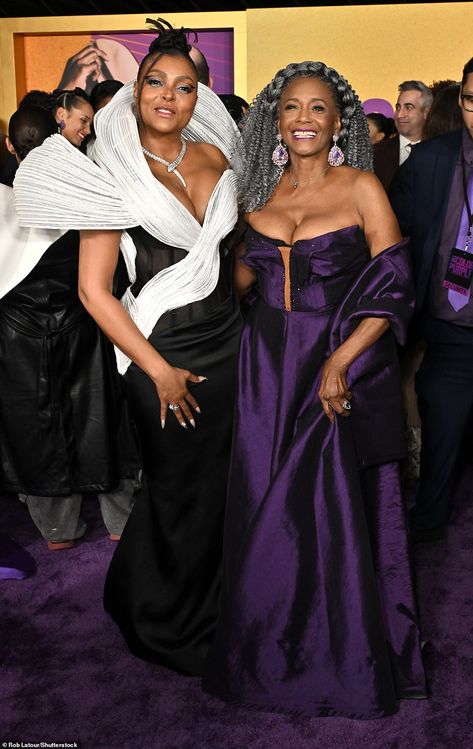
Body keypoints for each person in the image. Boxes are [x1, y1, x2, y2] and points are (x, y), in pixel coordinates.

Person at [13, 20, 242, 674]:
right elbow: (94, 291)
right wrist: (160, 371)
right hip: (158, 349)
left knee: (223, 486)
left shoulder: (216, 158)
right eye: (155, 83)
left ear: (200, 96)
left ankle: (220, 599)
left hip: (230, 342)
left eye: (185, 86)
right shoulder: (108, 170)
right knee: (175, 486)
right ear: (135, 90)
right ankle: (163, 612)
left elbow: (232, 258)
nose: (168, 96)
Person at [203, 60, 427, 718]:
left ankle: (339, 657)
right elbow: (232, 293)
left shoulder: (361, 188)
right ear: (275, 121)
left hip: (336, 371)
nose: (303, 117)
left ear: (338, 123)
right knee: (266, 505)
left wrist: (340, 360)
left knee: (323, 514)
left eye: (318, 108)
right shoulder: (257, 202)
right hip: (265, 373)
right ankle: (268, 652)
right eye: (291, 107)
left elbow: (393, 283)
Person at [0, 106, 137, 550]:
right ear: (60, 137)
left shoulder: (3, 205)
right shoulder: (87, 196)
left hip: (17, 340)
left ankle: (58, 532)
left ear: (9, 146)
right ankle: (120, 522)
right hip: (86, 328)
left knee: (35, 430)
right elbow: (114, 277)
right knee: (102, 422)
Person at [390, 57, 473, 542]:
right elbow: (391, 239)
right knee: (439, 437)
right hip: (450, 331)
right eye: (470, 100)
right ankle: (426, 528)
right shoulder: (429, 161)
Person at [374, 80, 432, 191]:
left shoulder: (440, 153)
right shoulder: (375, 153)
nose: (400, 115)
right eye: (398, 107)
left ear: (426, 112)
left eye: (408, 107)